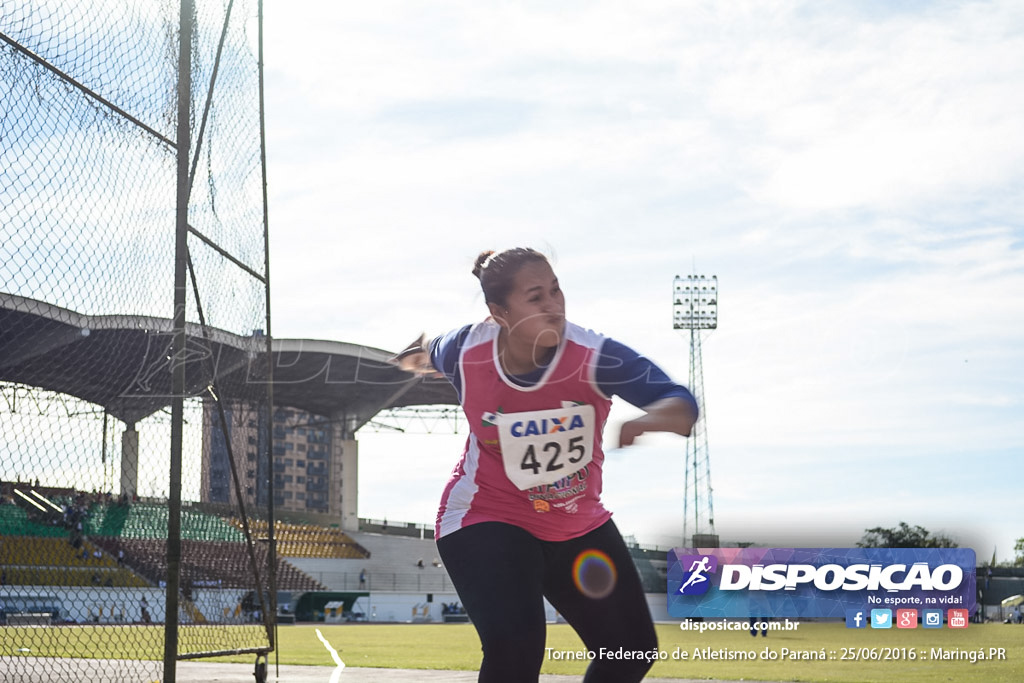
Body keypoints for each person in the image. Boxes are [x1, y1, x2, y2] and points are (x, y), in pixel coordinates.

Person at [395, 248, 698, 683]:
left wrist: (652, 419)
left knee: (630, 649)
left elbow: (682, 404)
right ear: (499, 312)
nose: (554, 306)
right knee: (515, 649)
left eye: (556, 291)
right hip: (487, 514)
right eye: (535, 298)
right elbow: (430, 349)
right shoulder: (466, 349)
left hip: (576, 522)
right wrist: (416, 354)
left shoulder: (597, 356)